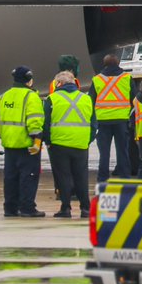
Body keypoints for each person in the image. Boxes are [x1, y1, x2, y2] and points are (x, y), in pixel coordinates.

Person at [0, 66, 46, 218]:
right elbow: (34, 121)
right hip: (27, 146)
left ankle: (10, 208)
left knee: (10, 178)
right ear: (29, 80)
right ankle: (27, 208)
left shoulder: (4, 97)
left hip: (9, 145)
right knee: (28, 177)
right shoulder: (31, 97)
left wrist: (6, 136)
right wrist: (37, 142)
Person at [44, 70, 95, 218]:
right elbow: (94, 123)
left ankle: (65, 208)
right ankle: (85, 208)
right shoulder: (86, 99)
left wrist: (48, 142)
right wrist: (87, 139)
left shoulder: (52, 99)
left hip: (59, 144)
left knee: (63, 177)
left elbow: (45, 123)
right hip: (80, 144)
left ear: (58, 83)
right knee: (81, 176)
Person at [92, 54, 132, 180]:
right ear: (118, 63)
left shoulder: (97, 79)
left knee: (104, 154)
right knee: (122, 152)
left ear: (104, 64)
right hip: (121, 120)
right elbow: (134, 98)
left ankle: (102, 179)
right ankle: (125, 178)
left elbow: (90, 100)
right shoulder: (127, 78)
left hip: (103, 121)